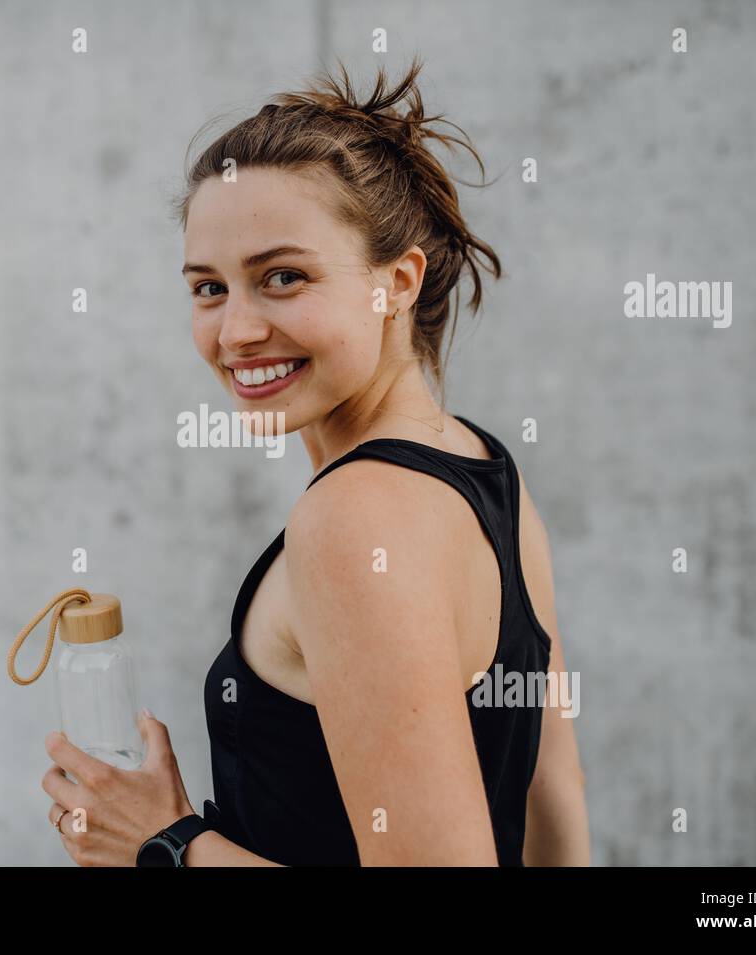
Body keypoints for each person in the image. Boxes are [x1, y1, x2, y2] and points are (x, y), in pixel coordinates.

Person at [43, 55, 590, 866]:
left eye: (284, 277)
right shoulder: (483, 465)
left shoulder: (352, 519)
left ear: (396, 283)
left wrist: (166, 845)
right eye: (208, 288)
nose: (235, 333)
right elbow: (556, 810)